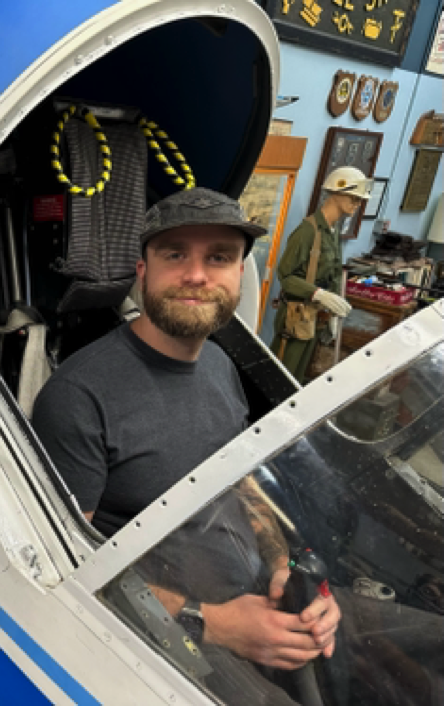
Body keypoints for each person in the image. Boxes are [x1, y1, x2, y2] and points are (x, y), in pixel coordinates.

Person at [32, 187, 441, 704]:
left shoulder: (221, 366)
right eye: (175, 254)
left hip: (261, 596)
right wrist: (214, 624)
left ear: (238, 276)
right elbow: (63, 570)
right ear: (142, 271)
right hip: (177, 627)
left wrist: (286, 573)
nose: (197, 275)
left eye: (219, 258)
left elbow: (244, 488)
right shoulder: (78, 396)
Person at [273, 167, 371, 382]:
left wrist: (333, 313)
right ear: (336, 193)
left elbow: (335, 273)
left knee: (298, 378)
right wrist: (319, 294)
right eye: (353, 198)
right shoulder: (307, 231)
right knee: (281, 377)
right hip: (295, 315)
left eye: (359, 200)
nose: (357, 204)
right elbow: (285, 276)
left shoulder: (333, 231)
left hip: (314, 315)